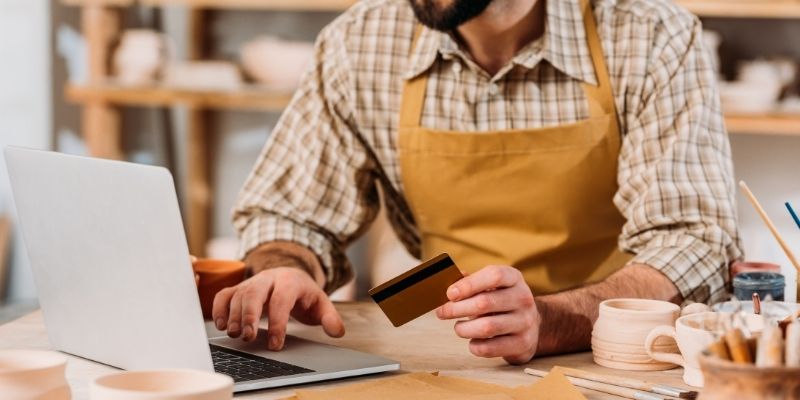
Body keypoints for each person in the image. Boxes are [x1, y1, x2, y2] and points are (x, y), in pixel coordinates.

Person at [213, 0, 742, 364]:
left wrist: (551, 320)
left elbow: (694, 240)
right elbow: (288, 216)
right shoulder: (360, 41)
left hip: (608, 351)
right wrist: (285, 269)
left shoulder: (650, 34)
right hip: (440, 339)